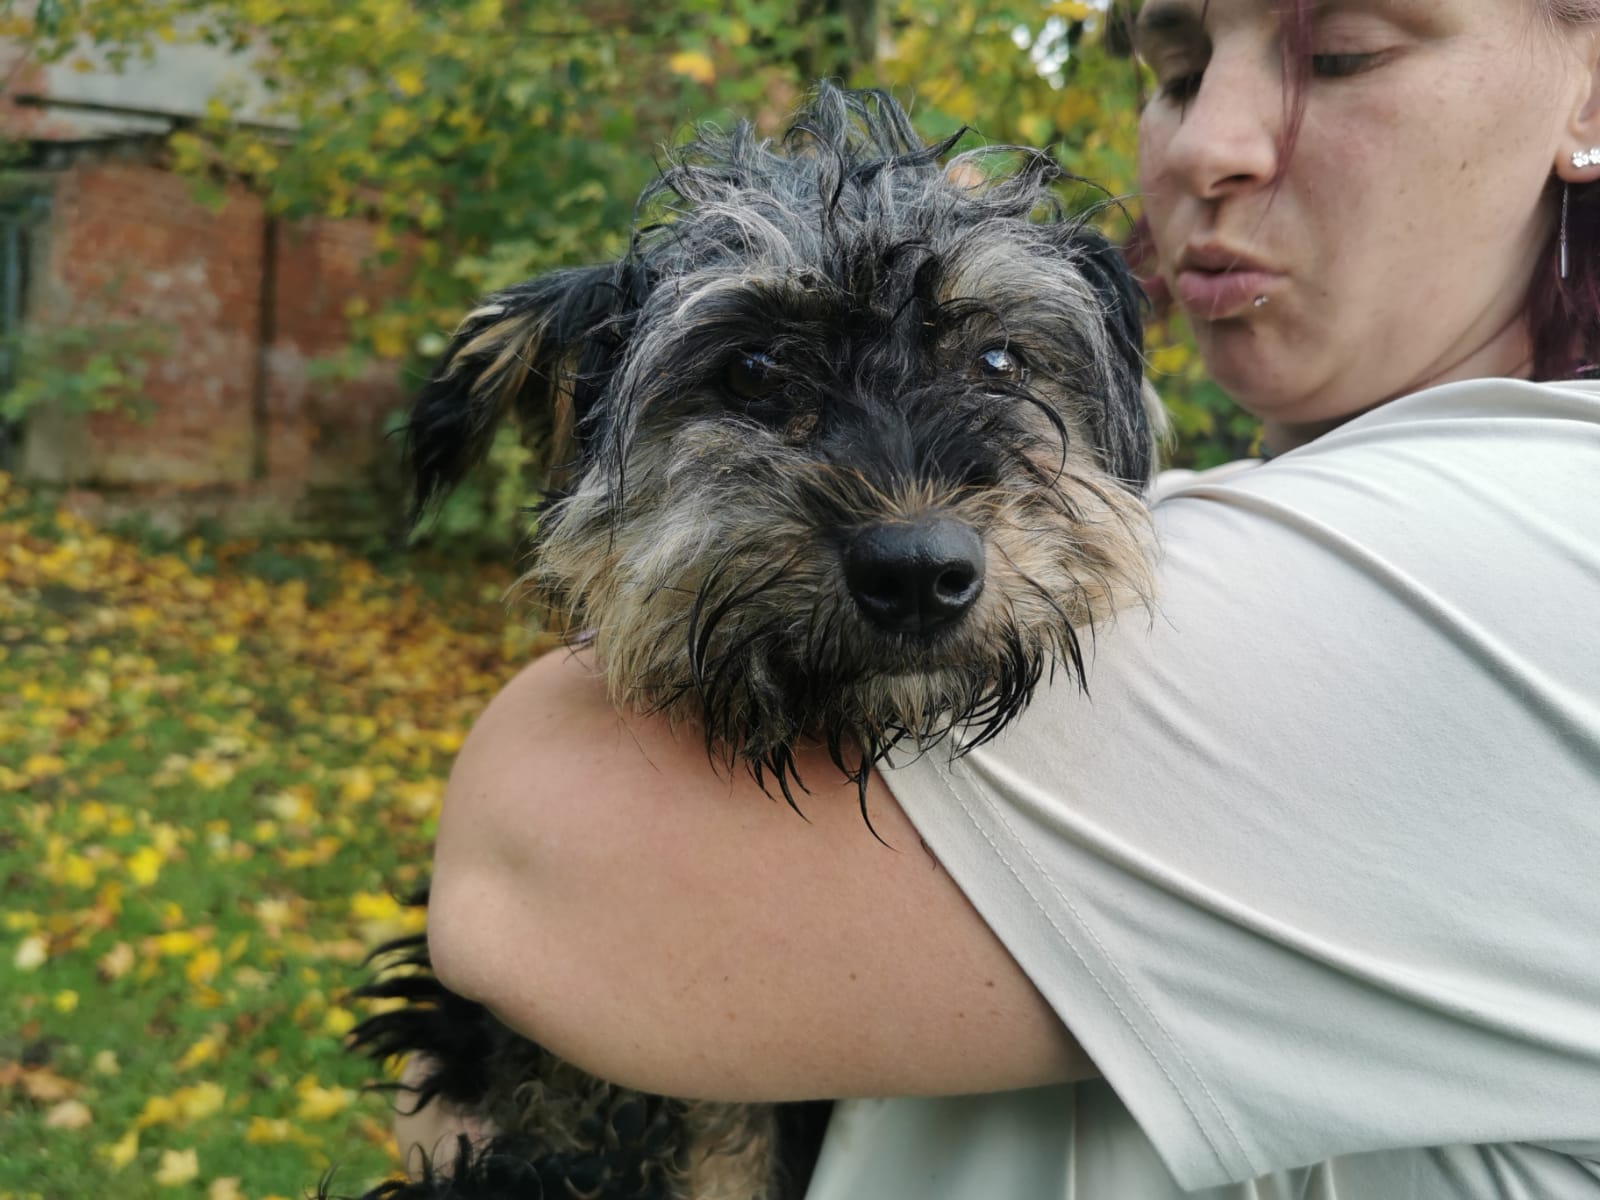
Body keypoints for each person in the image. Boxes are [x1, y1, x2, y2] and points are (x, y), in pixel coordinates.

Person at [418, 0, 1600, 1194]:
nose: (1206, 145)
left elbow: (543, 880)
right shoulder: (1238, 518)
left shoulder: (1538, 543)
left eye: (1341, 55)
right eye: (1175, 72)